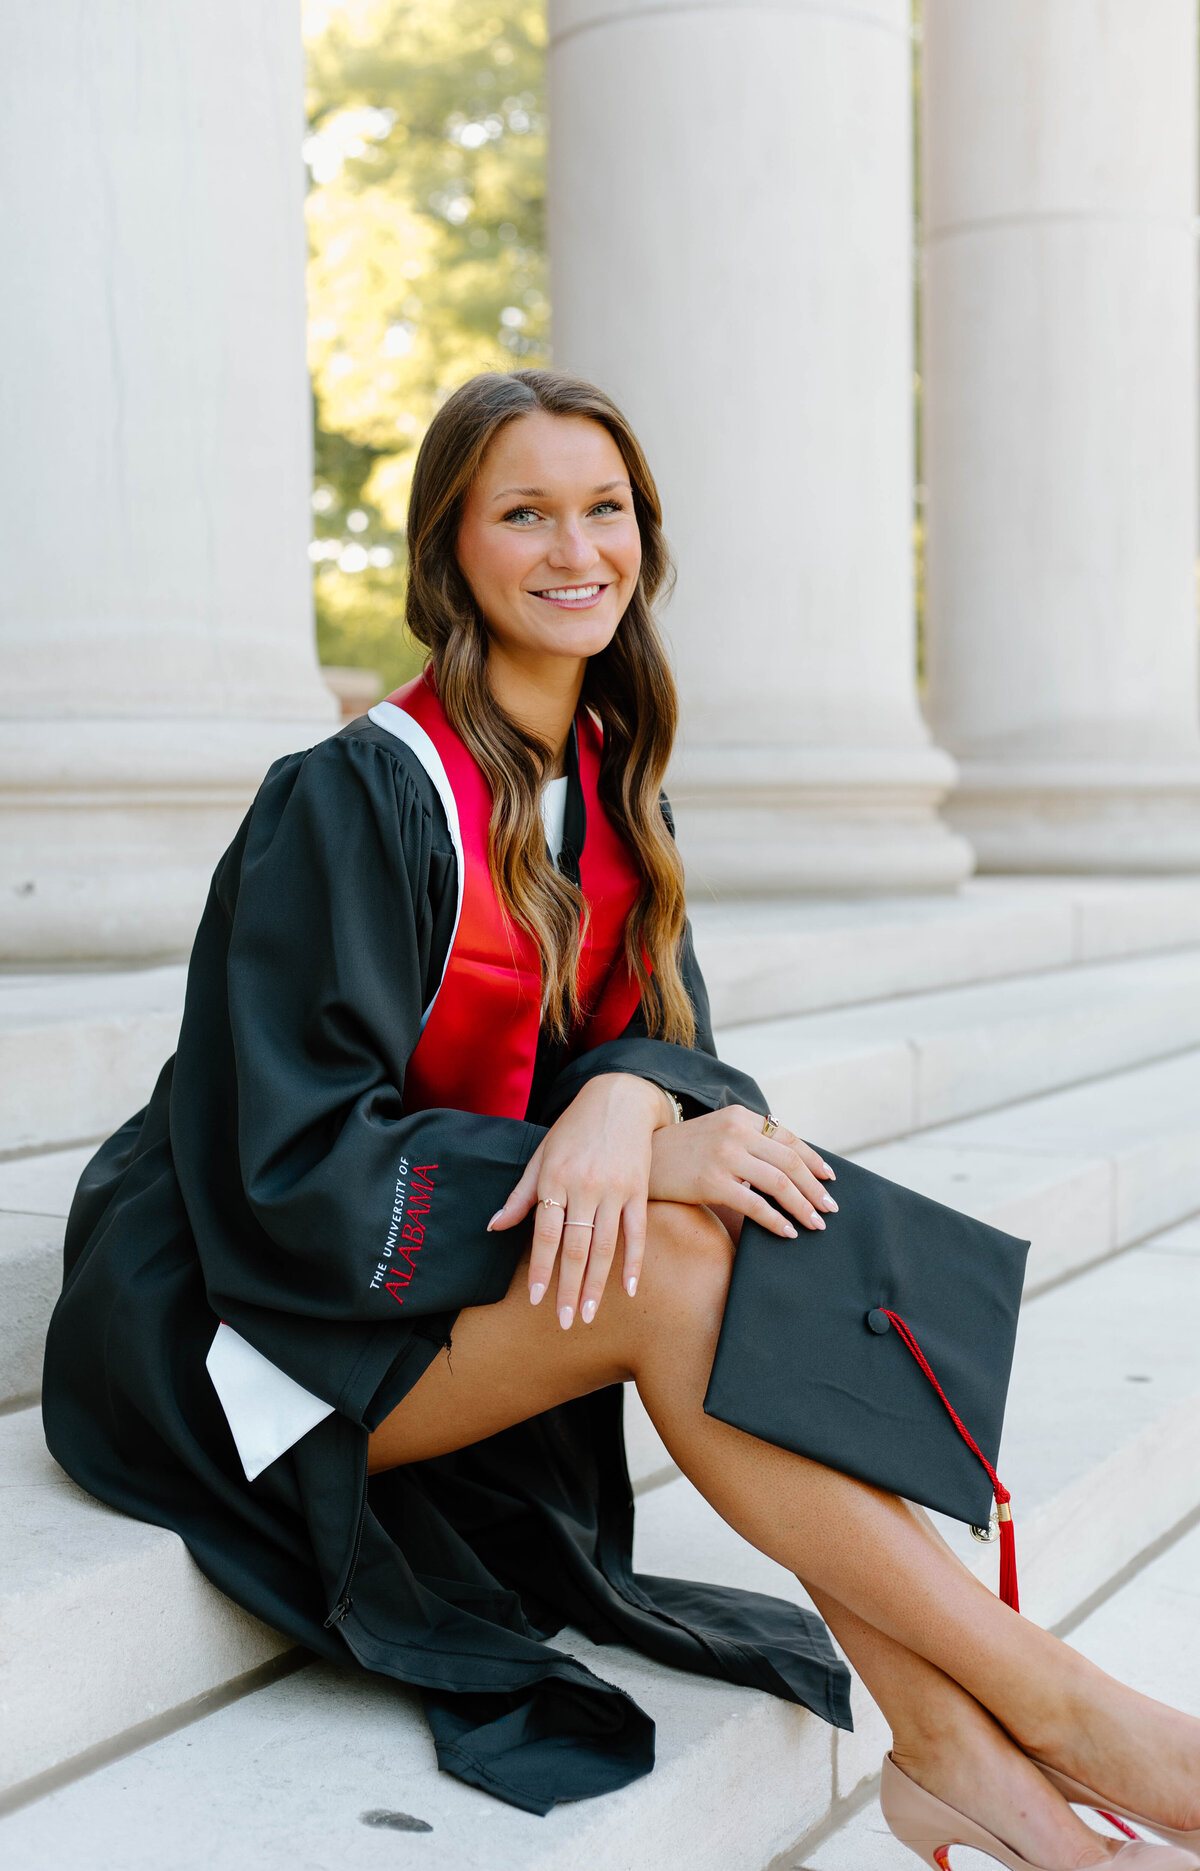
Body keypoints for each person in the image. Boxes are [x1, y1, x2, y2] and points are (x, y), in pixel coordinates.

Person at [43, 369, 1200, 1869]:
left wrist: (633, 1102)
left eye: (605, 511)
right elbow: (292, 1171)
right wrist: (614, 1143)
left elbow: (684, 1064)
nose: (575, 548)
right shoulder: (352, 799)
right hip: (244, 1337)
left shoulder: (607, 788)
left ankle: (963, 1761)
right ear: (448, 548)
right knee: (673, 1259)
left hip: (424, 1293)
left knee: (725, 1217)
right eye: (524, 512)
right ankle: (1063, 1708)